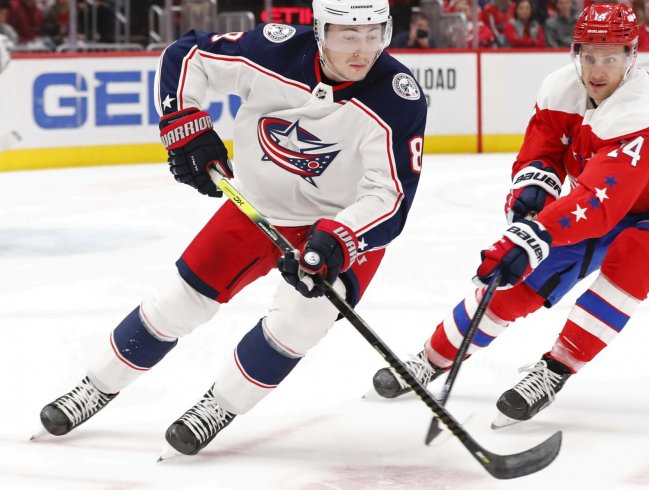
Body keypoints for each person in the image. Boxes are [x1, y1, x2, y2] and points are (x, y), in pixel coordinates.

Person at [35, 0, 427, 458]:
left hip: (339, 229)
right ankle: (96, 386)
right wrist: (186, 125)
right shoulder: (272, 51)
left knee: (302, 321)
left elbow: (390, 197)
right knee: (178, 302)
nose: (363, 50)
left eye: (374, 34)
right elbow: (185, 56)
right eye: (348, 36)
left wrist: (338, 239)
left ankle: (219, 406)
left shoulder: (398, 97)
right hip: (257, 208)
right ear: (320, 31)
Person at [372, 2, 649, 427]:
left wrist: (532, 236)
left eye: (610, 57)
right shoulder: (561, 89)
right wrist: (529, 203)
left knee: (633, 253)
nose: (597, 70)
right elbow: (541, 156)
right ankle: (431, 359)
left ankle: (554, 370)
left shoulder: (642, 113)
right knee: (515, 280)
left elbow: (599, 202)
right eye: (589, 56)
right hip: (602, 206)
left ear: (632, 57)